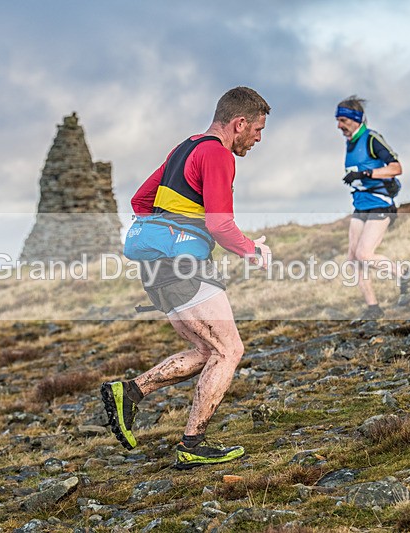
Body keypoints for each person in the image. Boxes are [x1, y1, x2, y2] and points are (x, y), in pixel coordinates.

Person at [101, 86, 272, 470]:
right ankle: (193, 443)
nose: (258, 138)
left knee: (207, 351)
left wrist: (169, 233)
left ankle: (129, 391)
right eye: (258, 130)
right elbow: (220, 223)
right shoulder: (217, 153)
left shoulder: (185, 148)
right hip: (184, 267)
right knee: (230, 351)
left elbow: (142, 201)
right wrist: (252, 250)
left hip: (158, 268)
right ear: (239, 123)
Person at [336, 95, 410, 320]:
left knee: (364, 254)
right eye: (337, 121)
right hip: (361, 204)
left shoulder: (371, 139)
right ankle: (373, 308)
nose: (339, 126)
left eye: (343, 120)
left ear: (356, 118)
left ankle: (404, 275)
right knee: (353, 258)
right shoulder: (350, 144)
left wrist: (366, 173)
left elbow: (396, 167)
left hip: (380, 203)